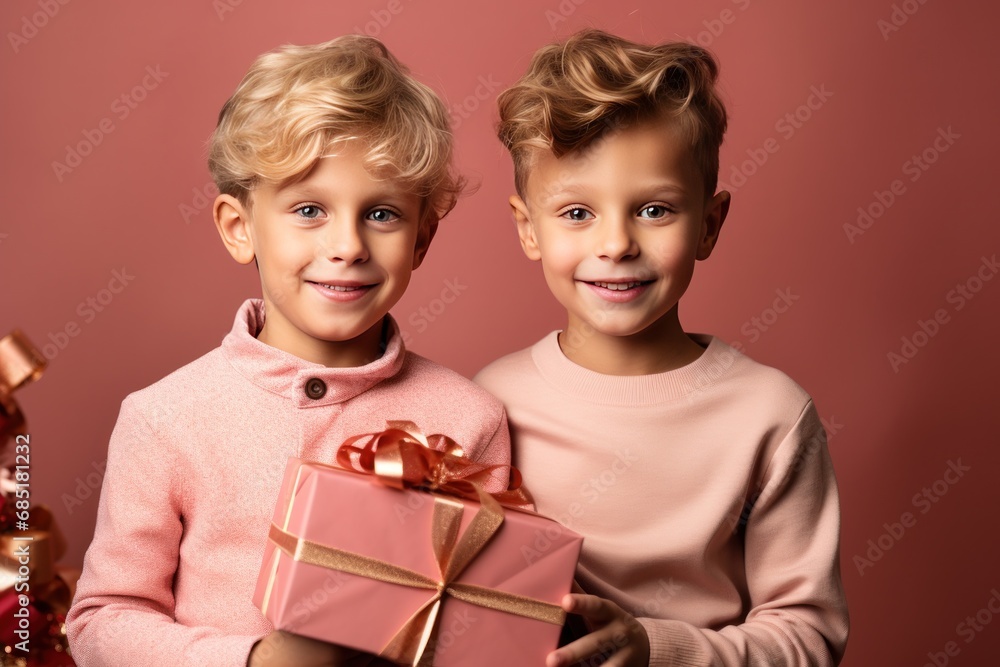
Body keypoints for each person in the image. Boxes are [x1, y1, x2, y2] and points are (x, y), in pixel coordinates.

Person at [67, 35, 511, 667]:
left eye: (382, 214)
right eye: (309, 209)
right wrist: (250, 660)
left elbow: (491, 628)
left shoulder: (471, 418)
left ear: (422, 237)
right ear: (239, 227)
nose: (348, 245)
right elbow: (101, 623)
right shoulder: (163, 418)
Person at [475, 29, 849, 666]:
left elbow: (808, 637)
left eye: (654, 210)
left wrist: (655, 649)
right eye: (576, 213)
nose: (616, 244)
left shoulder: (772, 416)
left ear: (710, 223)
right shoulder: (488, 403)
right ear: (527, 229)